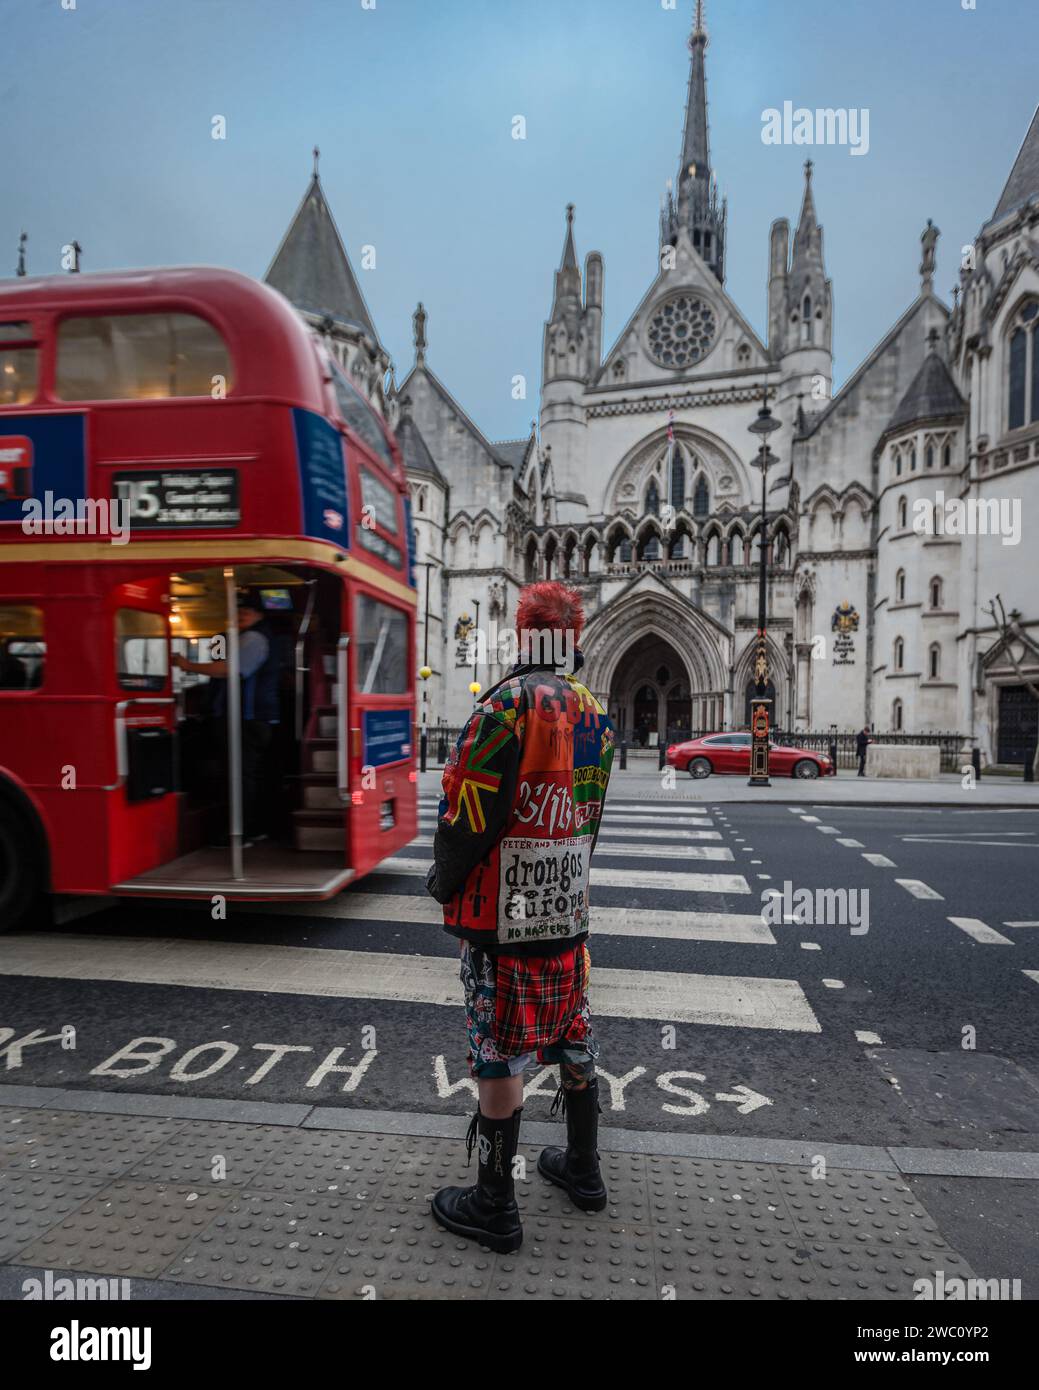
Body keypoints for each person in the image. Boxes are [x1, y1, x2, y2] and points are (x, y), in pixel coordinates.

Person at [425, 581, 615, 1254]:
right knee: (570, 1027)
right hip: (565, 903)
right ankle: (583, 1171)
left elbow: (466, 814)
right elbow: (589, 815)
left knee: (496, 1045)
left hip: (501, 911)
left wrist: (441, 879)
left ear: (519, 632)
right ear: (574, 637)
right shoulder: (595, 710)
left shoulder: (503, 707)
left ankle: (495, 1203)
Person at [172, 594, 282, 842]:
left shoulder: (254, 638)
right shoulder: (234, 638)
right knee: (240, 773)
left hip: (247, 717)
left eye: (247, 612)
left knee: (241, 775)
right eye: (239, 611)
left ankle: (242, 832)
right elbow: (220, 661)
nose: (241, 616)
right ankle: (246, 828)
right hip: (240, 716)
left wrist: (187, 665)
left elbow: (229, 670)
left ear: (259, 615)